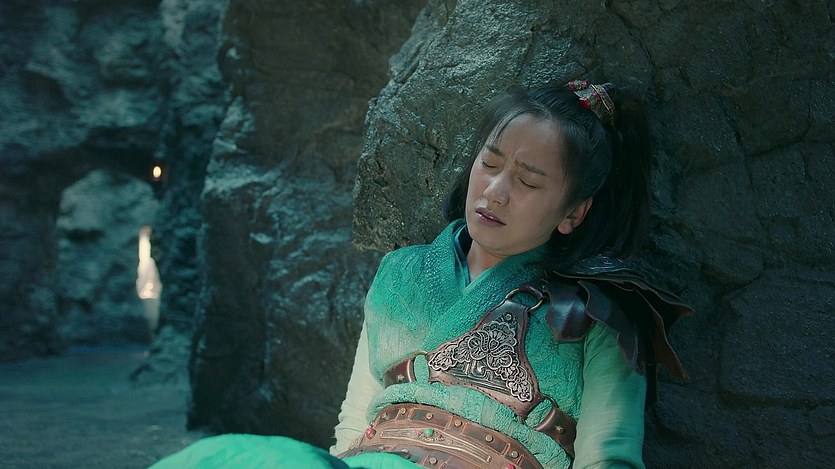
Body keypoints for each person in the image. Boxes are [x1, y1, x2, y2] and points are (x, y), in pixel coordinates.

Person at [150, 79, 691, 469]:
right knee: (228, 457)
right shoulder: (402, 273)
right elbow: (355, 419)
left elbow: (609, 458)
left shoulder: (602, 313)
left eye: (528, 181)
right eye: (490, 163)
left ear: (573, 212)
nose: (496, 190)